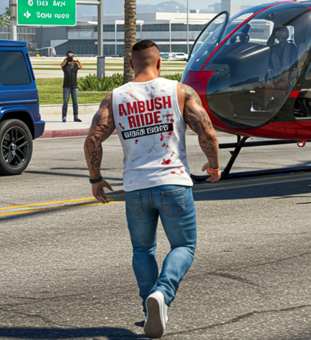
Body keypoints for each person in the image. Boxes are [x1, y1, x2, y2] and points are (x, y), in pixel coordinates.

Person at [84, 40, 220, 339]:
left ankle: (151, 311)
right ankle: (162, 294)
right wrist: (213, 165)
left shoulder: (115, 97)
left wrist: (96, 179)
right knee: (184, 246)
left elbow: (93, 140)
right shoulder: (180, 91)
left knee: (142, 250)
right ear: (159, 63)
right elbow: (207, 131)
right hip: (173, 183)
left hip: (135, 188)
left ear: (132, 64)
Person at [61, 51, 84, 122]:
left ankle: (76, 116)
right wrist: (66, 59)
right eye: (69, 56)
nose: (71, 57)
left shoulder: (75, 65)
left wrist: (77, 61)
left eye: (71, 56)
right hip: (66, 86)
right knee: (65, 102)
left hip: (74, 86)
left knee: (75, 102)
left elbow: (81, 67)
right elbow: (61, 65)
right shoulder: (65, 65)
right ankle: (64, 116)